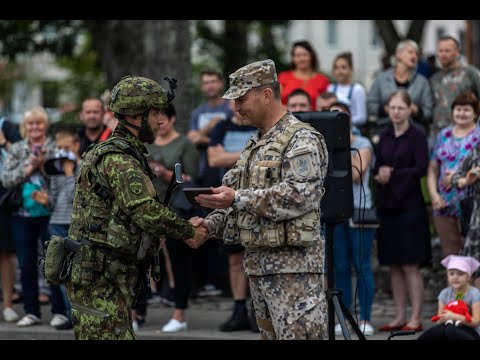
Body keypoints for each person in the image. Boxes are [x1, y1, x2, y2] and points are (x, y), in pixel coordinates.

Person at [188, 59, 329, 340]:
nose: (236, 107)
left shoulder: (301, 139)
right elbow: (230, 196)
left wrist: (237, 198)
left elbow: (299, 195)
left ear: (266, 94)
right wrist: (206, 227)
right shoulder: (254, 144)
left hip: (294, 274)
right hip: (259, 270)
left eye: (241, 98)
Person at [65, 75, 206, 340]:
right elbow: (145, 211)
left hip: (104, 276)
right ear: (134, 116)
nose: (160, 121)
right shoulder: (120, 160)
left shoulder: (119, 153)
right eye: (154, 114)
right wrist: (188, 230)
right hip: (100, 279)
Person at [374, 90, 431, 333]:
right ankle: (399, 316)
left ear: (409, 110)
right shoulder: (383, 136)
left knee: (410, 264)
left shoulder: (417, 136)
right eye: (392, 107)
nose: (396, 112)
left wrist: (393, 173)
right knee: (393, 264)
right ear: (387, 109)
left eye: (400, 108)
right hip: (388, 205)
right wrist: (380, 174)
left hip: (410, 205)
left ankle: (415, 317)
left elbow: (420, 167)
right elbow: (377, 166)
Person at [145, 103, 199, 333]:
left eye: (163, 117)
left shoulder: (184, 144)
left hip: (175, 211)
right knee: (142, 261)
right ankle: (137, 312)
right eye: (156, 117)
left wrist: (165, 173)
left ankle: (180, 313)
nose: (160, 122)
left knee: (178, 263)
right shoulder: (146, 143)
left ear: (173, 119)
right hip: (148, 209)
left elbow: (193, 179)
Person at [207, 99, 257, 332]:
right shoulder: (222, 127)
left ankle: (259, 310)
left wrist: (230, 155)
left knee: (255, 255)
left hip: (255, 197)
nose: (236, 105)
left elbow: (222, 157)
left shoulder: (259, 124)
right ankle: (239, 308)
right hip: (226, 200)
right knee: (235, 257)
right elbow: (214, 159)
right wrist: (249, 154)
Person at [329, 102, 376, 336]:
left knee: (362, 264)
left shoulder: (362, 143)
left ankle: (365, 317)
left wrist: (336, 149)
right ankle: (343, 316)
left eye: (341, 115)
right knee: (340, 267)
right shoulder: (323, 144)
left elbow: (358, 171)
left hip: (359, 209)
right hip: (334, 211)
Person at [427, 91, 480, 257]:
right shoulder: (444, 135)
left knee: (474, 258)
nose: (461, 113)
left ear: (475, 113)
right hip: (445, 203)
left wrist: (459, 179)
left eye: (466, 110)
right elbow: (433, 167)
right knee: (452, 257)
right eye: (458, 109)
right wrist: (434, 195)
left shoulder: (478, 136)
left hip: (472, 203)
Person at [418, 255, 480, 340]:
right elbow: (439, 320)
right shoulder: (444, 293)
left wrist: (454, 316)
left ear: (468, 277)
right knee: (435, 331)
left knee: (450, 330)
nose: (455, 277)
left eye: (460, 274)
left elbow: (476, 321)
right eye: (451, 273)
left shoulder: (474, 293)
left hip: (470, 331)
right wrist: (445, 318)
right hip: (448, 327)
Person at [430, 35, 480, 139]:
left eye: (447, 51)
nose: (443, 54)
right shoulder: (434, 78)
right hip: (438, 136)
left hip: (466, 135)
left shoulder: (471, 73)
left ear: (457, 53)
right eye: (440, 51)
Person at [0, 116, 21, 323]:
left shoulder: (5, 125)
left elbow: (21, 152)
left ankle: (7, 305)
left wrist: (4, 142)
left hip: (3, 196)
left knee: (5, 253)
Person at [450, 141, 480, 287]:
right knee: (473, 268)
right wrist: (467, 179)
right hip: (478, 218)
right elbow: (455, 178)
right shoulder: (476, 152)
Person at [278, 41, 329, 110]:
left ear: (311, 56)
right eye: (298, 56)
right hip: (287, 118)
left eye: (305, 55)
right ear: (293, 58)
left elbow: (325, 105)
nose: (302, 59)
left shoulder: (322, 80)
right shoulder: (283, 77)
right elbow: (276, 103)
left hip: (313, 119)